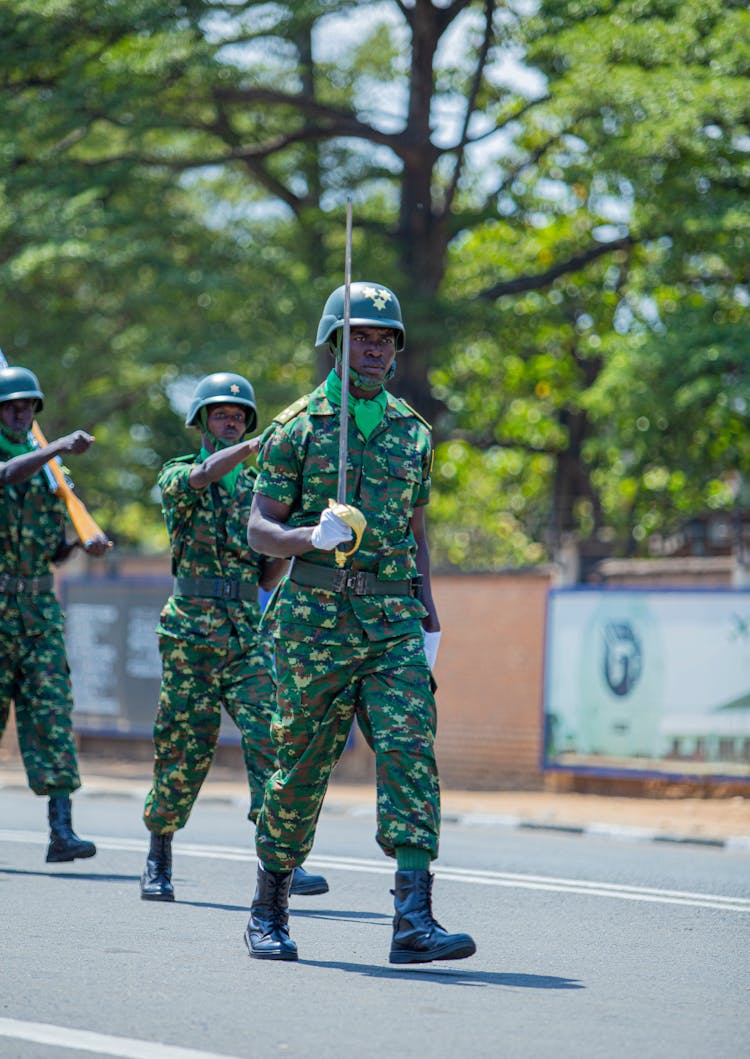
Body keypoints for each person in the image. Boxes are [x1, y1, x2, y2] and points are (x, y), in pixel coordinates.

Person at [245, 282, 477, 964]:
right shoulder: (298, 427)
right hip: (313, 624)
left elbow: (416, 530)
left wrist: (429, 610)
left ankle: (413, 917)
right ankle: (269, 908)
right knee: (299, 769)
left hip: (393, 623)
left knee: (409, 752)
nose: (374, 348)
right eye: (361, 337)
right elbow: (257, 527)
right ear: (335, 343)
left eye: (385, 339)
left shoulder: (413, 433)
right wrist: (304, 539)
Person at [139, 372, 328, 902]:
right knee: (184, 745)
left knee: (273, 736)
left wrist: (294, 546)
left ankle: (283, 859)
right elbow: (199, 478)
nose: (232, 421)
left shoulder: (256, 489)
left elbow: (268, 569)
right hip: (191, 633)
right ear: (201, 421)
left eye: (241, 415)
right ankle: (159, 857)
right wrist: (253, 446)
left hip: (247, 631)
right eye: (222, 414)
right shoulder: (180, 473)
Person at [0, 365, 110, 862]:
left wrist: (80, 544)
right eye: (12, 406)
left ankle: (61, 831)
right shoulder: (32, 460)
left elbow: (53, 550)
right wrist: (57, 448)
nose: (22, 413)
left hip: (39, 607)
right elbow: (5, 475)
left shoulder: (49, 471)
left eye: (28, 406)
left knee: (51, 712)